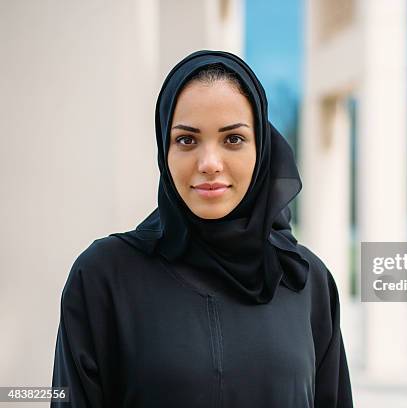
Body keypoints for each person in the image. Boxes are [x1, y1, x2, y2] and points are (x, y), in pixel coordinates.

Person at [51, 50, 353, 408]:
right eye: (187, 140)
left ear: (262, 149)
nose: (209, 163)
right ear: (165, 149)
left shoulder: (306, 281)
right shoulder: (104, 276)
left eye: (233, 139)